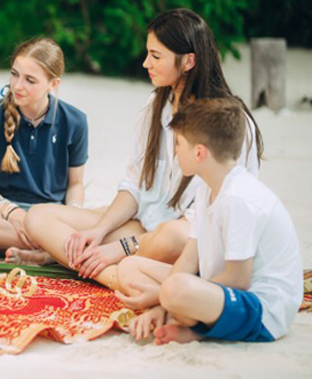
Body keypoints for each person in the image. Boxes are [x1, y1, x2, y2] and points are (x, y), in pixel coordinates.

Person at [23, 8, 263, 288]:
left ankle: (108, 267)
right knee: (38, 217)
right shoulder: (156, 105)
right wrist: (100, 232)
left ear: (188, 61)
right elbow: (135, 184)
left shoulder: (227, 122)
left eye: (156, 56)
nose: (146, 63)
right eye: (148, 53)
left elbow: (204, 223)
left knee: (171, 235)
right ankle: (113, 275)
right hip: (146, 228)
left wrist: (120, 247)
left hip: (192, 240)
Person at [115, 98, 302, 344]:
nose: (176, 150)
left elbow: (238, 280)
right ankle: (188, 319)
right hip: (217, 291)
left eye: (179, 143)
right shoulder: (206, 186)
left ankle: (190, 321)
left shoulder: (239, 199)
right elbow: (189, 258)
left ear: (200, 152)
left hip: (262, 308)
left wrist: (162, 300)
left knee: (175, 289)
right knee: (130, 267)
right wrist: (167, 299)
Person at [0, 38, 88, 263]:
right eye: (14, 74)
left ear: (53, 84)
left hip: (53, 216)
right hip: (7, 218)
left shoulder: (75, 121)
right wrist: (12, 213)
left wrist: (74, 216)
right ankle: (55, 250)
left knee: (118, 220)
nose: (17, 85)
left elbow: (75, 184)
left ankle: (48, 250)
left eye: (30, 80)